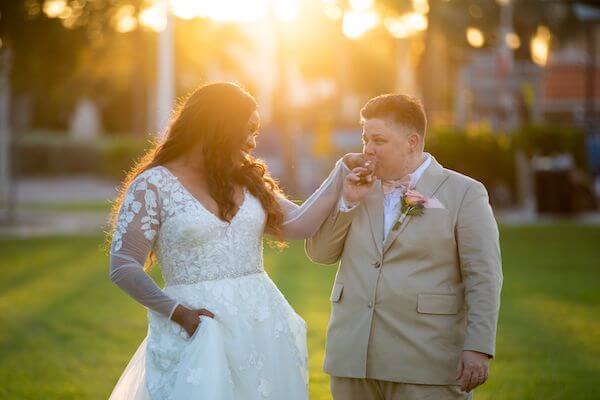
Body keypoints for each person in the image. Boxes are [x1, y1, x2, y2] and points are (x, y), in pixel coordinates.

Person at [107, 82, 358, 399]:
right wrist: (178, 313)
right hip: (195, 328)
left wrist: (340, 173)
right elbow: (123, 265)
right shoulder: (152, 185)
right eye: (249, 129)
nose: (254, 141)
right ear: (220, 126)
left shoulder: (245, 179)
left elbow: (299, 223)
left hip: (259, 323)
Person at [305, 94, 503, 400]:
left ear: (412, 142)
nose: (367, 149)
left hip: (425, 361)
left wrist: (478, 347)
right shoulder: (356, 185)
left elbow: (484, 275)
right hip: (352, 359)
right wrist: (346, 203)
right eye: (365, 139)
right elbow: (319, 254)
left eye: (379, 140)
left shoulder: (464, 193)